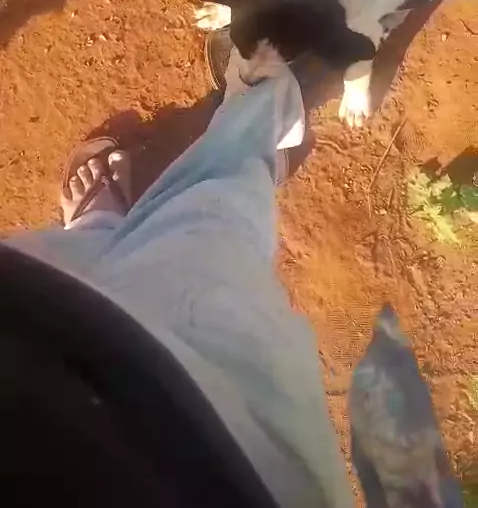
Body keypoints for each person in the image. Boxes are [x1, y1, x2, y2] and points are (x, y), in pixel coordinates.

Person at [1, 43, 353, 507]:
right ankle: (258, 125)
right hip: (219, 459)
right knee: (211, 228)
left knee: (63, 266)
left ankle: (97, 226)